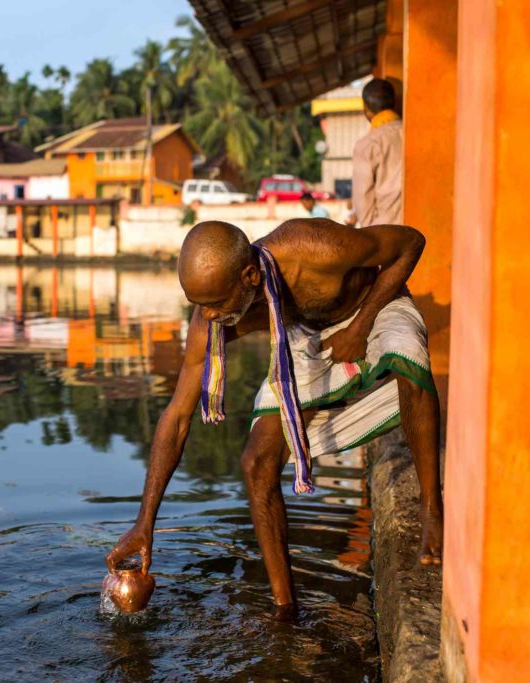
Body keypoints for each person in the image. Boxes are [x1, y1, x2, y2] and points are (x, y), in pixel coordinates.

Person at [106, 219, 443, 617]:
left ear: (249, 276)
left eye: (215, 303)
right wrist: (145, 523)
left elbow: (411, 242)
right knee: (256, 462)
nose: (209, 316)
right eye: (199, 305)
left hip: (373, 307)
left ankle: (431, 506)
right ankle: (286, 609)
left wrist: (362, 324)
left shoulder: (315, 248)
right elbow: (177, 417)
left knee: (408, 358)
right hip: (303, 338)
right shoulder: (210, 318)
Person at [352, 79, 403, 227]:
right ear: (394, 103)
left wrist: (371, 234)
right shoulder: (414, 133)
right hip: (419, 228)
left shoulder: (367, 144)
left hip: (386, 230)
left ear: (366, 109)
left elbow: (363, 200)